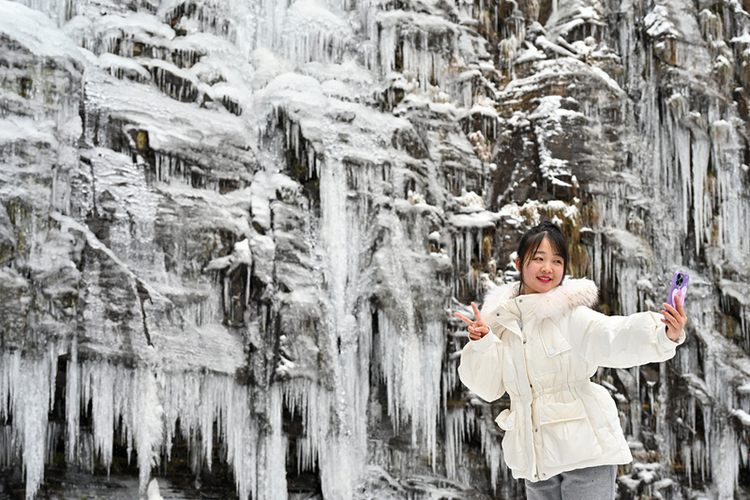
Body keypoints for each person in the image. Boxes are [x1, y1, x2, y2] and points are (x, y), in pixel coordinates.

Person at [455, 221, 687, 500]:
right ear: (519, 263)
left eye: (556, 260)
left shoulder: (569, 315)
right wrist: (482, 343)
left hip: (584, 451)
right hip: (534, 459)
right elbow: (487, 387)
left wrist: (663, 332)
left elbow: (613, 335)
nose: (547, 268)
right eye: (538, 259)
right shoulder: (501, 324)